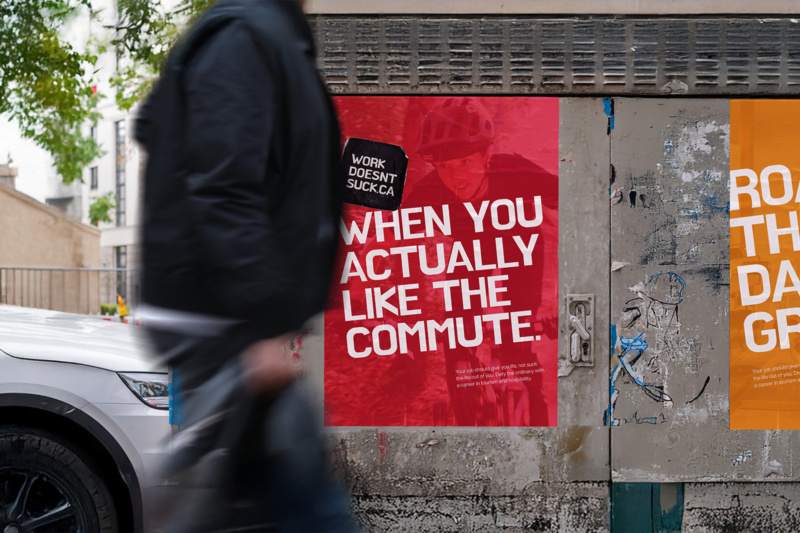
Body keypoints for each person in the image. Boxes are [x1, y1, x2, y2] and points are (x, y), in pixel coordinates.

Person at [134, 0, 357, 531]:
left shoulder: (269, 36)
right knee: (309, 510)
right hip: (229, 328)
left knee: (251, 505)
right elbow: (222, 186)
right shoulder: (245, 37)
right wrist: (261, 325)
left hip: (239, 326)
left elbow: (158, 128)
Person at [405, 97, 558, 426]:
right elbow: (388, 235)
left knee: (516, 340)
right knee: (457, 338)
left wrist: (560, 300)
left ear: (486, 155)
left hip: (522, 250)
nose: (455, 177)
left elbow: (580, 206)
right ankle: (466, 416)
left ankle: (539, 425)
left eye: (464, 162)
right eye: (444, 166)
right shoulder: (430, 189)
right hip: (470, 254)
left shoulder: (517, 173)